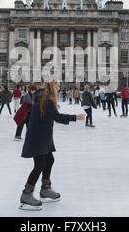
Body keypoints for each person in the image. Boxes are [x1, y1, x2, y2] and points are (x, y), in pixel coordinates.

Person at [19, 76, 85, 211]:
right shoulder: (46, 99)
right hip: (38, 137)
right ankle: (26, 194)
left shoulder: (43, 97)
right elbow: (58, 117)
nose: (60, 87)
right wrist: (75, 117)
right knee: (39, 165)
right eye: (58, 85)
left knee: (49, 160)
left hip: (44, 135)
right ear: (53, 85)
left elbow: (47, 115)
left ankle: (45, 188)